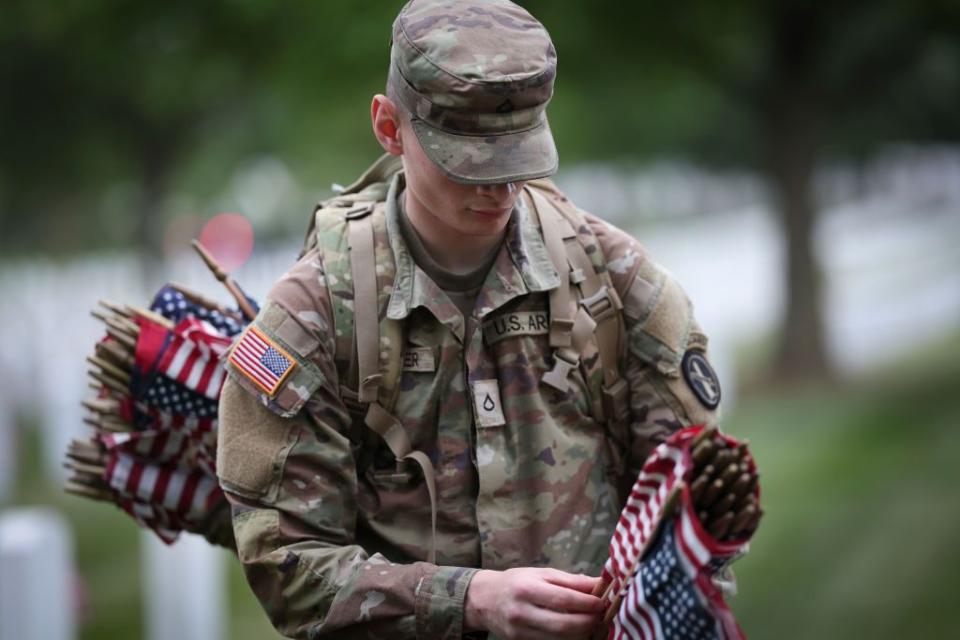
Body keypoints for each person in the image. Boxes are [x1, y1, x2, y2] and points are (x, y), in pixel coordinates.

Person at [216, 1, 723, 638]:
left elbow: (696, 504)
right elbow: (286, 563)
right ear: (388, 127)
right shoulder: (315, 314)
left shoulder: (611, 281)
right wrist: (464, 600)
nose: (498, 188)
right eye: (469, 160)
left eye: (518, 156)